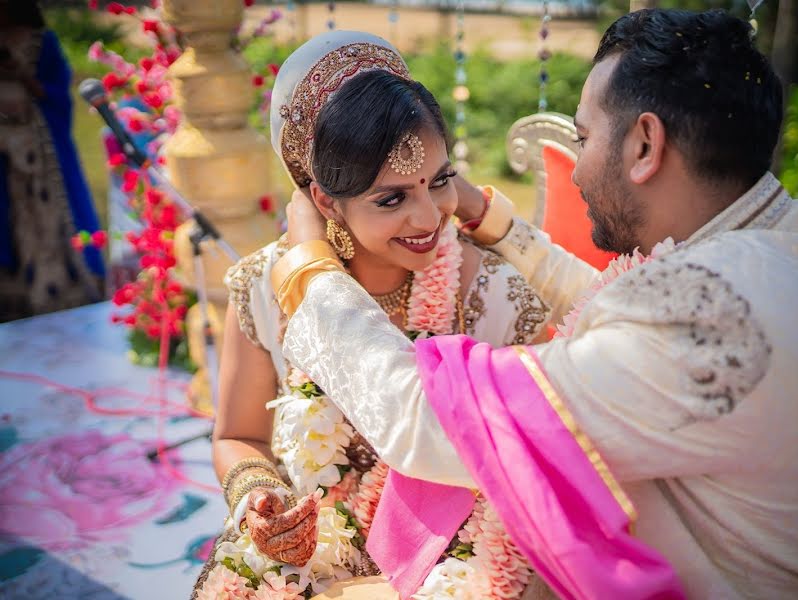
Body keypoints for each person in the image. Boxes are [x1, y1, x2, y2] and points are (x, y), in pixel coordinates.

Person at [273, 9, 798, 600]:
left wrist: (310, 268)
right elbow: (613, 304)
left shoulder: (704, 319)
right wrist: (494, 220)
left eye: (585, 137)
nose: (574, 169)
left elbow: (427, 422)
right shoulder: (794, 234)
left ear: (646, 144)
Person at [194, 31, 610, 600]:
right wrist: (262, 499)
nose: (427, 219)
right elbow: (238, 434)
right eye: (391, 199)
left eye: (439, 183)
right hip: (313, 540)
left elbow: (531, 456)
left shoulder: (490, 292)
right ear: (323, 200)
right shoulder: (267, 286)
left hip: (453, 553)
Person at [0, 0, 104, 321]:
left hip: (42, 151)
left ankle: (64, 292)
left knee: (55, 216)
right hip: (4, 158)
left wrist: (20, 76)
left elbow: (58, 94)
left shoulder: (41, 42)